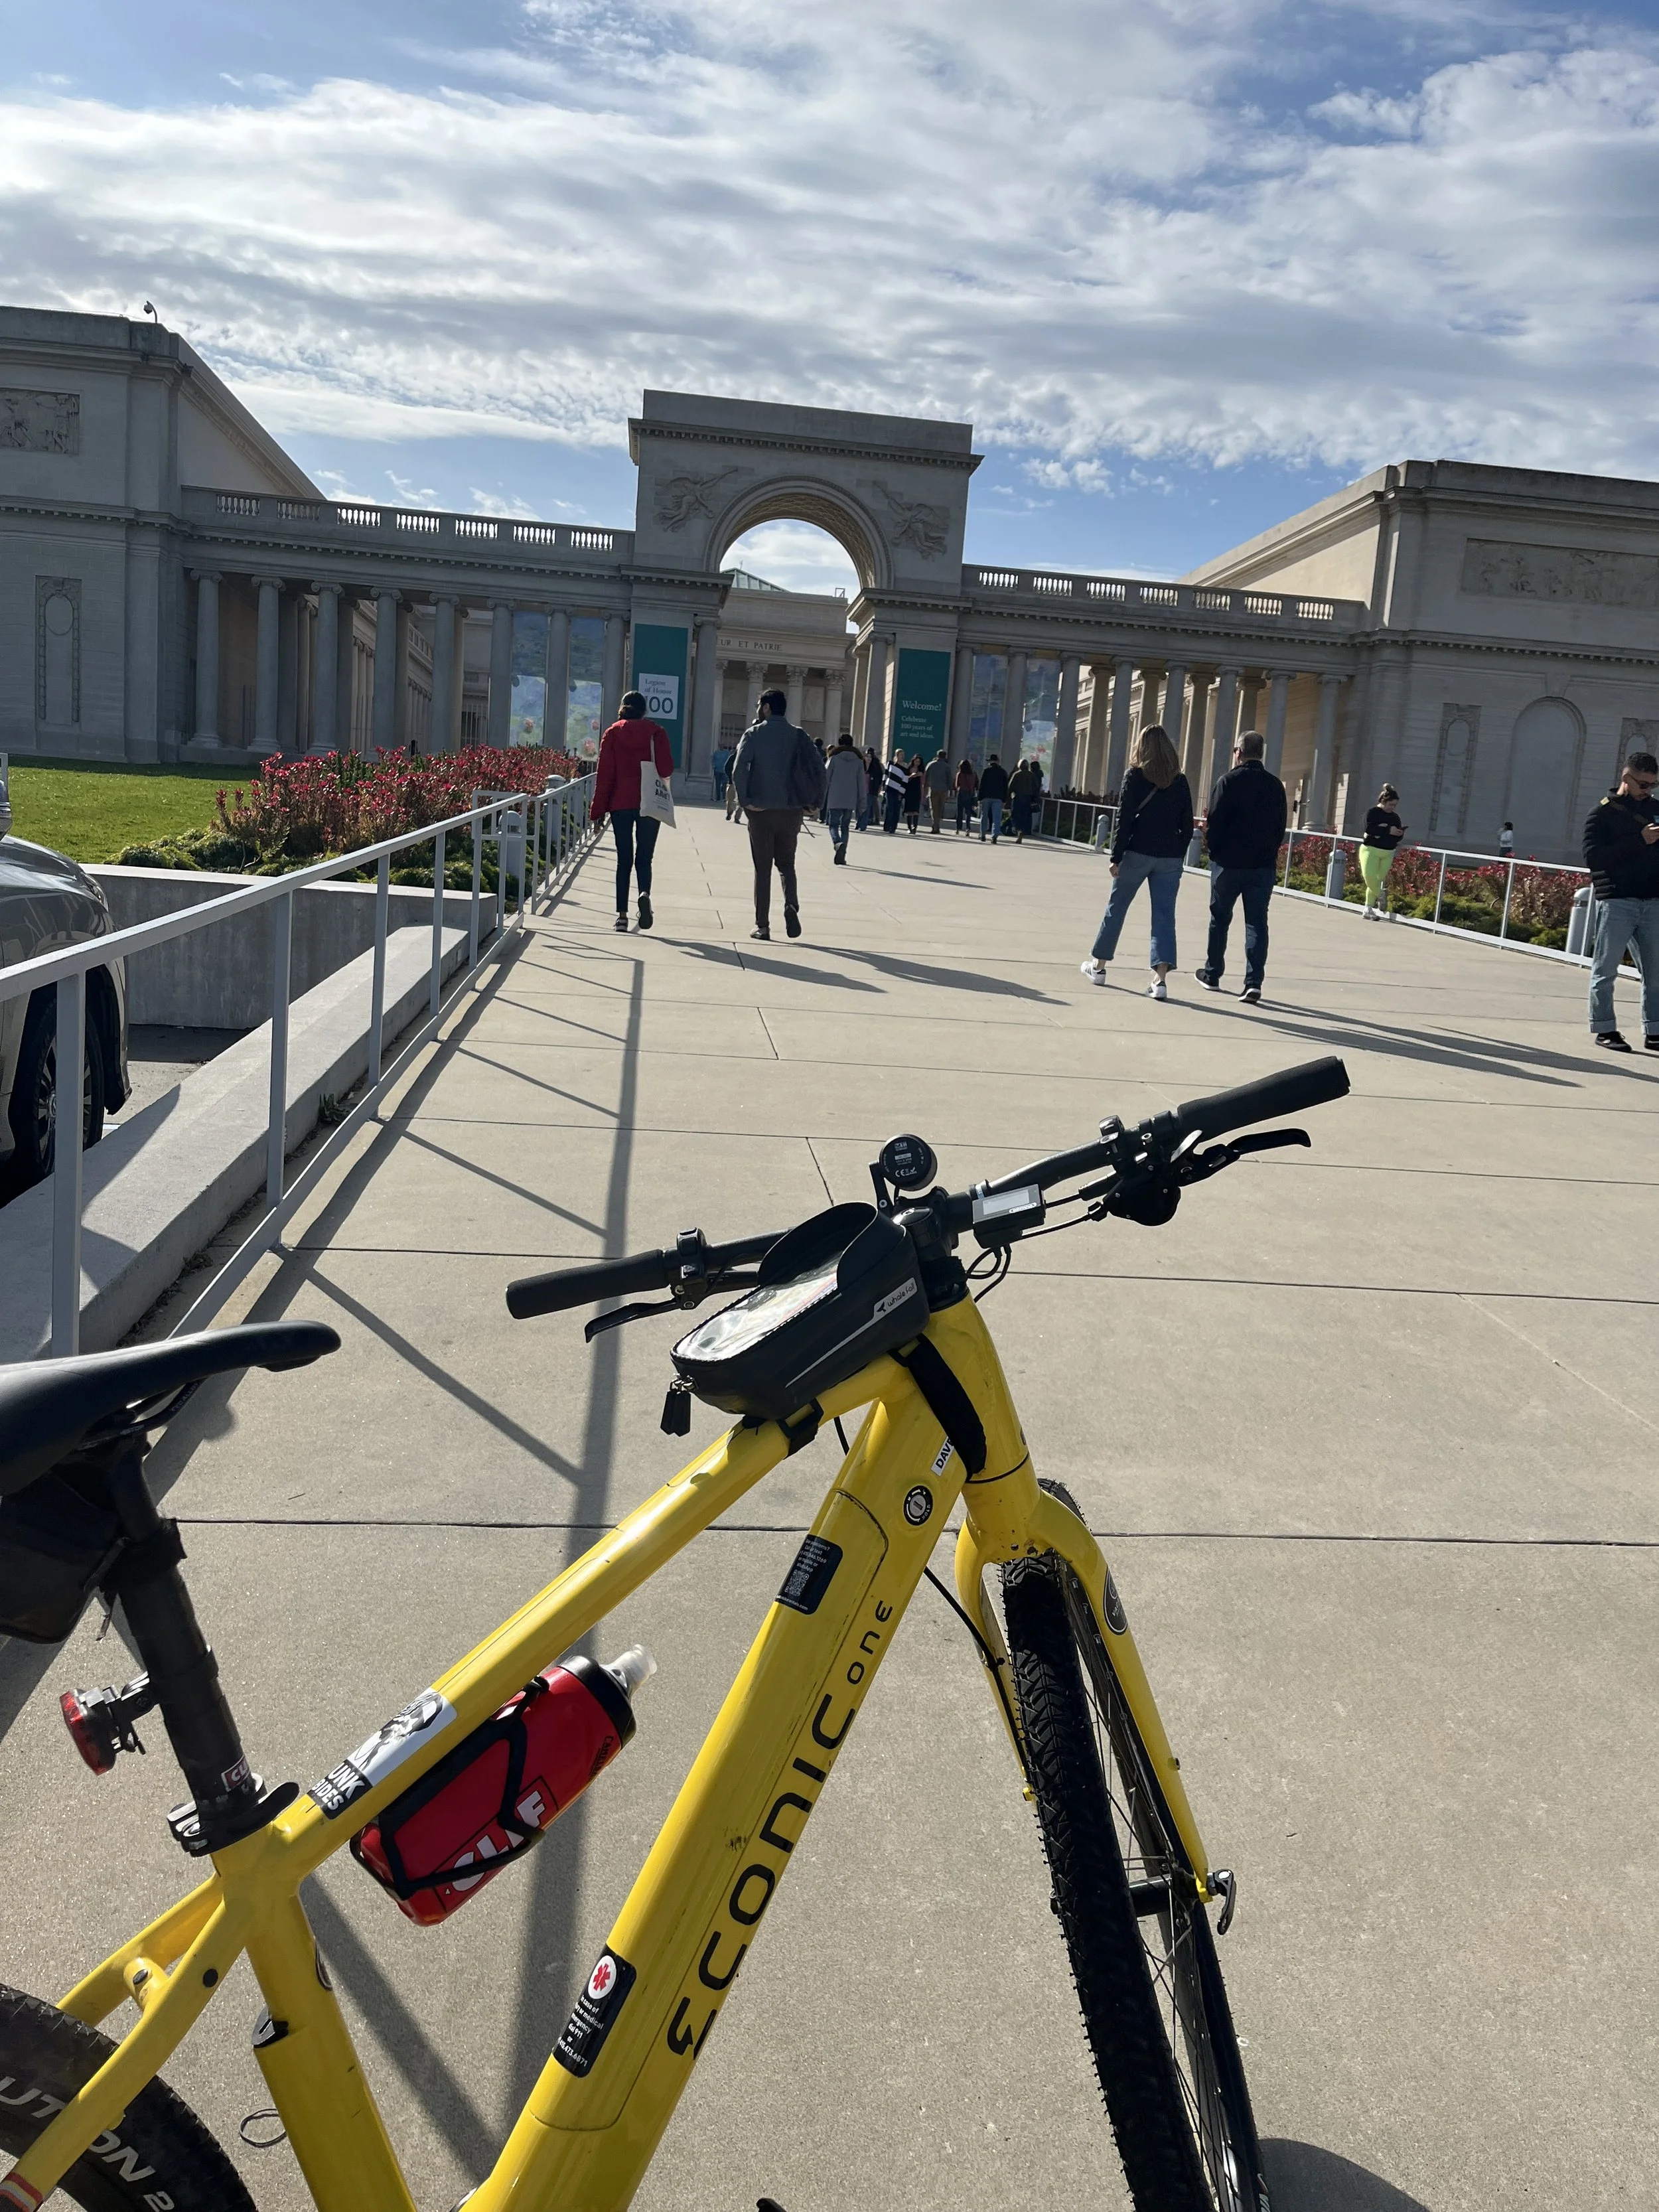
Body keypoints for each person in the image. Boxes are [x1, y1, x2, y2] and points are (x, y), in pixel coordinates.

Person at [1080, 725, 1192, 999]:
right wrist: (1177, 851)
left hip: (1137, 853)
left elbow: (1125, 818)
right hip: (1169, 859)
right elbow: (1187, 825)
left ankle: (1099, 967)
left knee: (1116, 909)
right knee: (1164, 917)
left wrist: (1116, 856)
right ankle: (1160, 980)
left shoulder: (1135, 776)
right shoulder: (1180, 780)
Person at [1194, 730, 1286, 1004]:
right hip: (1261, 866)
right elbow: (1280, 826)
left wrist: (1214, 852)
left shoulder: (1227, 781)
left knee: (1219, 919)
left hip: (1228, 864)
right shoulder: (1275, 786)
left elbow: (1215, 822)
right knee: (1257, 924)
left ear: (1239, 752)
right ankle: (1253, 982)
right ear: (1261, 753)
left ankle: (1212, 974)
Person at [731, 688, 827, 940]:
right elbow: (819, 768)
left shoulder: (754, 734)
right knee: (787, 865)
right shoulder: (799, 735)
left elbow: (739, 769)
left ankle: (762, 925)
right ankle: (791, 904)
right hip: (791, 810)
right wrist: (814, 802)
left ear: (766, 708)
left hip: (761, 812)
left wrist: (746, 801)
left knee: (762, 869)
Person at [1583, 748, 1659, 1052]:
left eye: (1653, 785)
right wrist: (1639, 840)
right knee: (1606, 969)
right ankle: (1605, 1029)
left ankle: (1654, 1030)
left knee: (1655, 973)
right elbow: (1595, 858)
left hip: (1653, 901)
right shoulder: (1602, 814)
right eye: (1643, 784)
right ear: (1626, 778)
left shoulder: (1657, 809)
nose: (1648, 791)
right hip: (1617, 900)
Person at [591, 690, 674, 932]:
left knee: (623, 859)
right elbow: (666, 768)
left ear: (623, 708)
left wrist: (597, 812)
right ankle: (645, 895)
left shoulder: (612, 733)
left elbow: (604, 776)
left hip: (620, 803)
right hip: (649, 801)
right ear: (644, 710)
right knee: (645, 858)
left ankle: (622, 917)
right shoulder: (657, 733)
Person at [1358, 784, 1407, 917]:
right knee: (1369, 877)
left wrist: (1398, 833)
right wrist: (1387, 830)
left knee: (1378, 879)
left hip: (1388, 852)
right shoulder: (1372, 813)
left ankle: (1368, 908)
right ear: (1383, 801)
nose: (1393, 808)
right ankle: (1381, 894)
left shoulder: (1395, 817)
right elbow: (1369, 829)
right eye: (1391, 804)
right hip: (1370, 850)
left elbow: (1398, 834)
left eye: (1395, 805)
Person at [824, 732, 864, 865]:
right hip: (850, 799)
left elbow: (826, 779)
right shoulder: (859, 762)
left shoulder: (833, 759)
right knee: (845, 827)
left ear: (840, 744)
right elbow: (861, 784)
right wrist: (862, 802)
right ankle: (842, 854)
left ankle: (837, 843)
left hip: (835, 798)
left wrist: (820, 798)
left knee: (833, 825)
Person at [979, 753, 1009, 842]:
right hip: (998, 798)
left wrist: (980, 798)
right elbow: (1005, 787)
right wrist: (1004, 799)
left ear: (990, 762)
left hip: (986, 796)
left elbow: (982, 785)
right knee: (997, 817)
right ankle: (995, 836)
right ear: (998, 761)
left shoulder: (987, 771)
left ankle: (983, 835)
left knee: (984, 816)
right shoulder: (1003, 772)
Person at [1008, 758, 1037, 844]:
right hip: (1028, 798)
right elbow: (1036, 787)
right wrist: (1035, 798)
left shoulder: (1017, 774)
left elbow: (1010, 787)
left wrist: (1008, 798)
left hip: (1018, 797)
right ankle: (1023, 831)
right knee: (1024, 816)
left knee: (1015, 815)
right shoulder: (1032, 775)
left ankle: (1018, 830)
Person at [924, 747, 952, 834]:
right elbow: (950, 780)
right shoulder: (947, 767)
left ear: (937, 756)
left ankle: (935, 826)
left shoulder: (931, 765)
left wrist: (926, 786)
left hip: (933, 789)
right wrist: (950, 791)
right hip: (943, 790)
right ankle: (937, 826)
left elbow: (926, 776)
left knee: (934, 809)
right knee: (940, 809)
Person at [882, 751, 908, 834]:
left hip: (898, 790)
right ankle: (887, 826)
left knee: (896, 809)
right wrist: (883, 786)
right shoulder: (890, 764)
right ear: (896, 755)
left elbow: (905, 780)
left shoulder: (905, 767)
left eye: (903, 755)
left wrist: (902, 793)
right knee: (890, 808)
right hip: (889, 788)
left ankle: (893, 827)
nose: (902, 757)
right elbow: (886, 775)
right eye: (900, 755)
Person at [954, 756, 978, 834]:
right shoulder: (973, 774)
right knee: (968, 812)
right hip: (969, 793)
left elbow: (957, 785)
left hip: (961, 793)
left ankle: (958, 828)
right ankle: (968, 828)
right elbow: (976, 784)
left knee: (960, 811)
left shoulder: (959, 774)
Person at [860, 747, 881, 831]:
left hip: (870, 791)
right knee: (860, 808)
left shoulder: (875, 767)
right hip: (861, 791)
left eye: (870, 757)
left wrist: (878, 788)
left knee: (867, 808)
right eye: (867, 756)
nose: (869, 758)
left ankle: (863, 826)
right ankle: (859, 822)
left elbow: (879, 778)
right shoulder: (861, 766)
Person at [711, 741, 733, 812]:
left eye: (723, 745)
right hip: (717, 770)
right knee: (718, 784)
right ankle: (718, 798)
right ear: (719, 746)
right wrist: (713, 765)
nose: (722, 746)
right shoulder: (716, 753)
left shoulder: (727, 753)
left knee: (724, 785)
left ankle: (723, 798)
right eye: (721, 745)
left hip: (724, 771)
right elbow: (712, 759)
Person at [903, 755, 923, 834]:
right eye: (916, 761)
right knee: (909, 810)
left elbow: (923, 779)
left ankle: (915, 827)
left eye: (919, 762)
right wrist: (912, 776)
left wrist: (919, 775)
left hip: (917, 790)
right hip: (909, 790)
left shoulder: (921, 770)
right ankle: (909, 827)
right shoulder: (908, 769)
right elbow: (905, 778)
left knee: (916, 810)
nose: (917, 763)